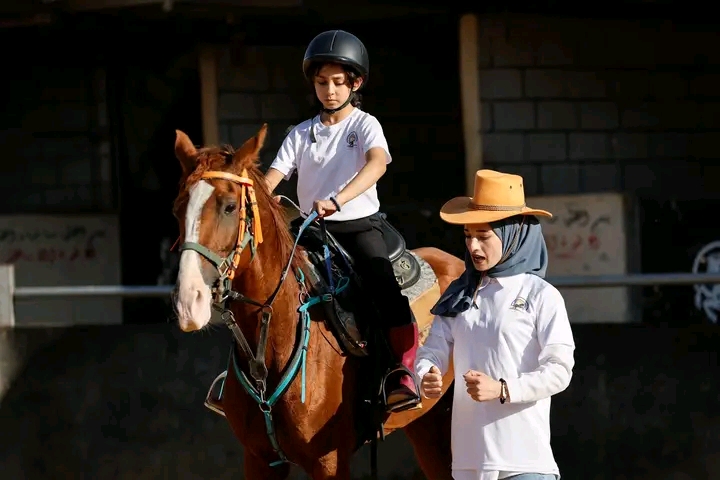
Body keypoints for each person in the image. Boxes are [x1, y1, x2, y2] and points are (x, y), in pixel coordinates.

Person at [264, 29, 421, 413]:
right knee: (264, 282)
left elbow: (377, 164)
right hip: (309, 231)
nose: (329, 90)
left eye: (338, 82)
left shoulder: (365, 125)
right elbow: (271, 181)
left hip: (359, 225)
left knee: (385, 289)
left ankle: (403, 372)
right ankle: (241, 376)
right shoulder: (300, 134)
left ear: (357, 82)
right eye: (322, 82)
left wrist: (338, 199)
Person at [416, 169, 576, 480]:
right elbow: (431, 349)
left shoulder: (542, 295)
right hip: (467, 465)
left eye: (483, 236)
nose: (473, 247)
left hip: (525, 464)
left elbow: (560, 370)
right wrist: (427, 373)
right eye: (468, 236)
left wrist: (502, 388)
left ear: (512, 234)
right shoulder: (459, 293)